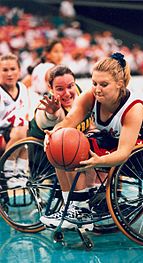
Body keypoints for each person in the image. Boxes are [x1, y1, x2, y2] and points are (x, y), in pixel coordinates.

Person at [41, 52, 143, 229]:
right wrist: (53, 134)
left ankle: (80, 208)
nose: (97, 89)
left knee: (78, 152)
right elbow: (69, 121)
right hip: (115, 142)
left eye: (104, 84)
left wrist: (99, 161)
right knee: (62, 146)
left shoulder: (133, 108)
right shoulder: (92, 96)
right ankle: (73, 208)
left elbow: (122, 154)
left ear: (119, 84)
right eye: (94, 83)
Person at [29, 65, 95, 230]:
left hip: (69, 149)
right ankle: (75, 209)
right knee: (66, 149)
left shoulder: (80, 94)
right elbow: (47, 119)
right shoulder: (47, 105)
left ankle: (79, 207)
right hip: (41, 154)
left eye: (70, 86)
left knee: (86, 144)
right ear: (50, 88)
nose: (66, 93)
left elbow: (90, 123)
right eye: (59, 89)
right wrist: (52, 113)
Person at [0, 53, 29, 187]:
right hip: (2, 131)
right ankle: (9, 170)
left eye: (13, 69)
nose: (9, 73)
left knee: (28, 129)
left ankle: (21, 171)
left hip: (17, 131)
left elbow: (26, 113)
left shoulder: (23, 88)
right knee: (22, 129)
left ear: (19, 71)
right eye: (5, 70)